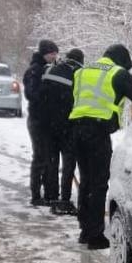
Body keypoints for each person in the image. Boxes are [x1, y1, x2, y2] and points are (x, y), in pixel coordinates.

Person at [68, 43, 132, 249]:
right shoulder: (117, 74)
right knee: (99, 183)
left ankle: (85, 230)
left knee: (86, 180)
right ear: (121, 61)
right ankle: (95, 236)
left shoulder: (81, 71)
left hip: (76, 130)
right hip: (97, 133)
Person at [39, 47, 84, 215]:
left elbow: (41, 95)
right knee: (68, 163)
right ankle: (64, 200)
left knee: (51, 161)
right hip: (68, 125)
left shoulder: (50, 69)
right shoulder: (80, 73)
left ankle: (51, 196)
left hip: (48, 124)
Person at [23, 38, 59, 205]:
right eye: (51, 53)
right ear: (44, 53)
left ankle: (48, 193)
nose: (54, 56)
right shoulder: (34, 70)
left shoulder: (51, 69)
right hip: (37, 121)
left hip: (49, 121)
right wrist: (45, 88)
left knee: (48, 157)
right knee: (40, 157)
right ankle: (36, 195)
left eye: (55, 53)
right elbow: (31, 94)